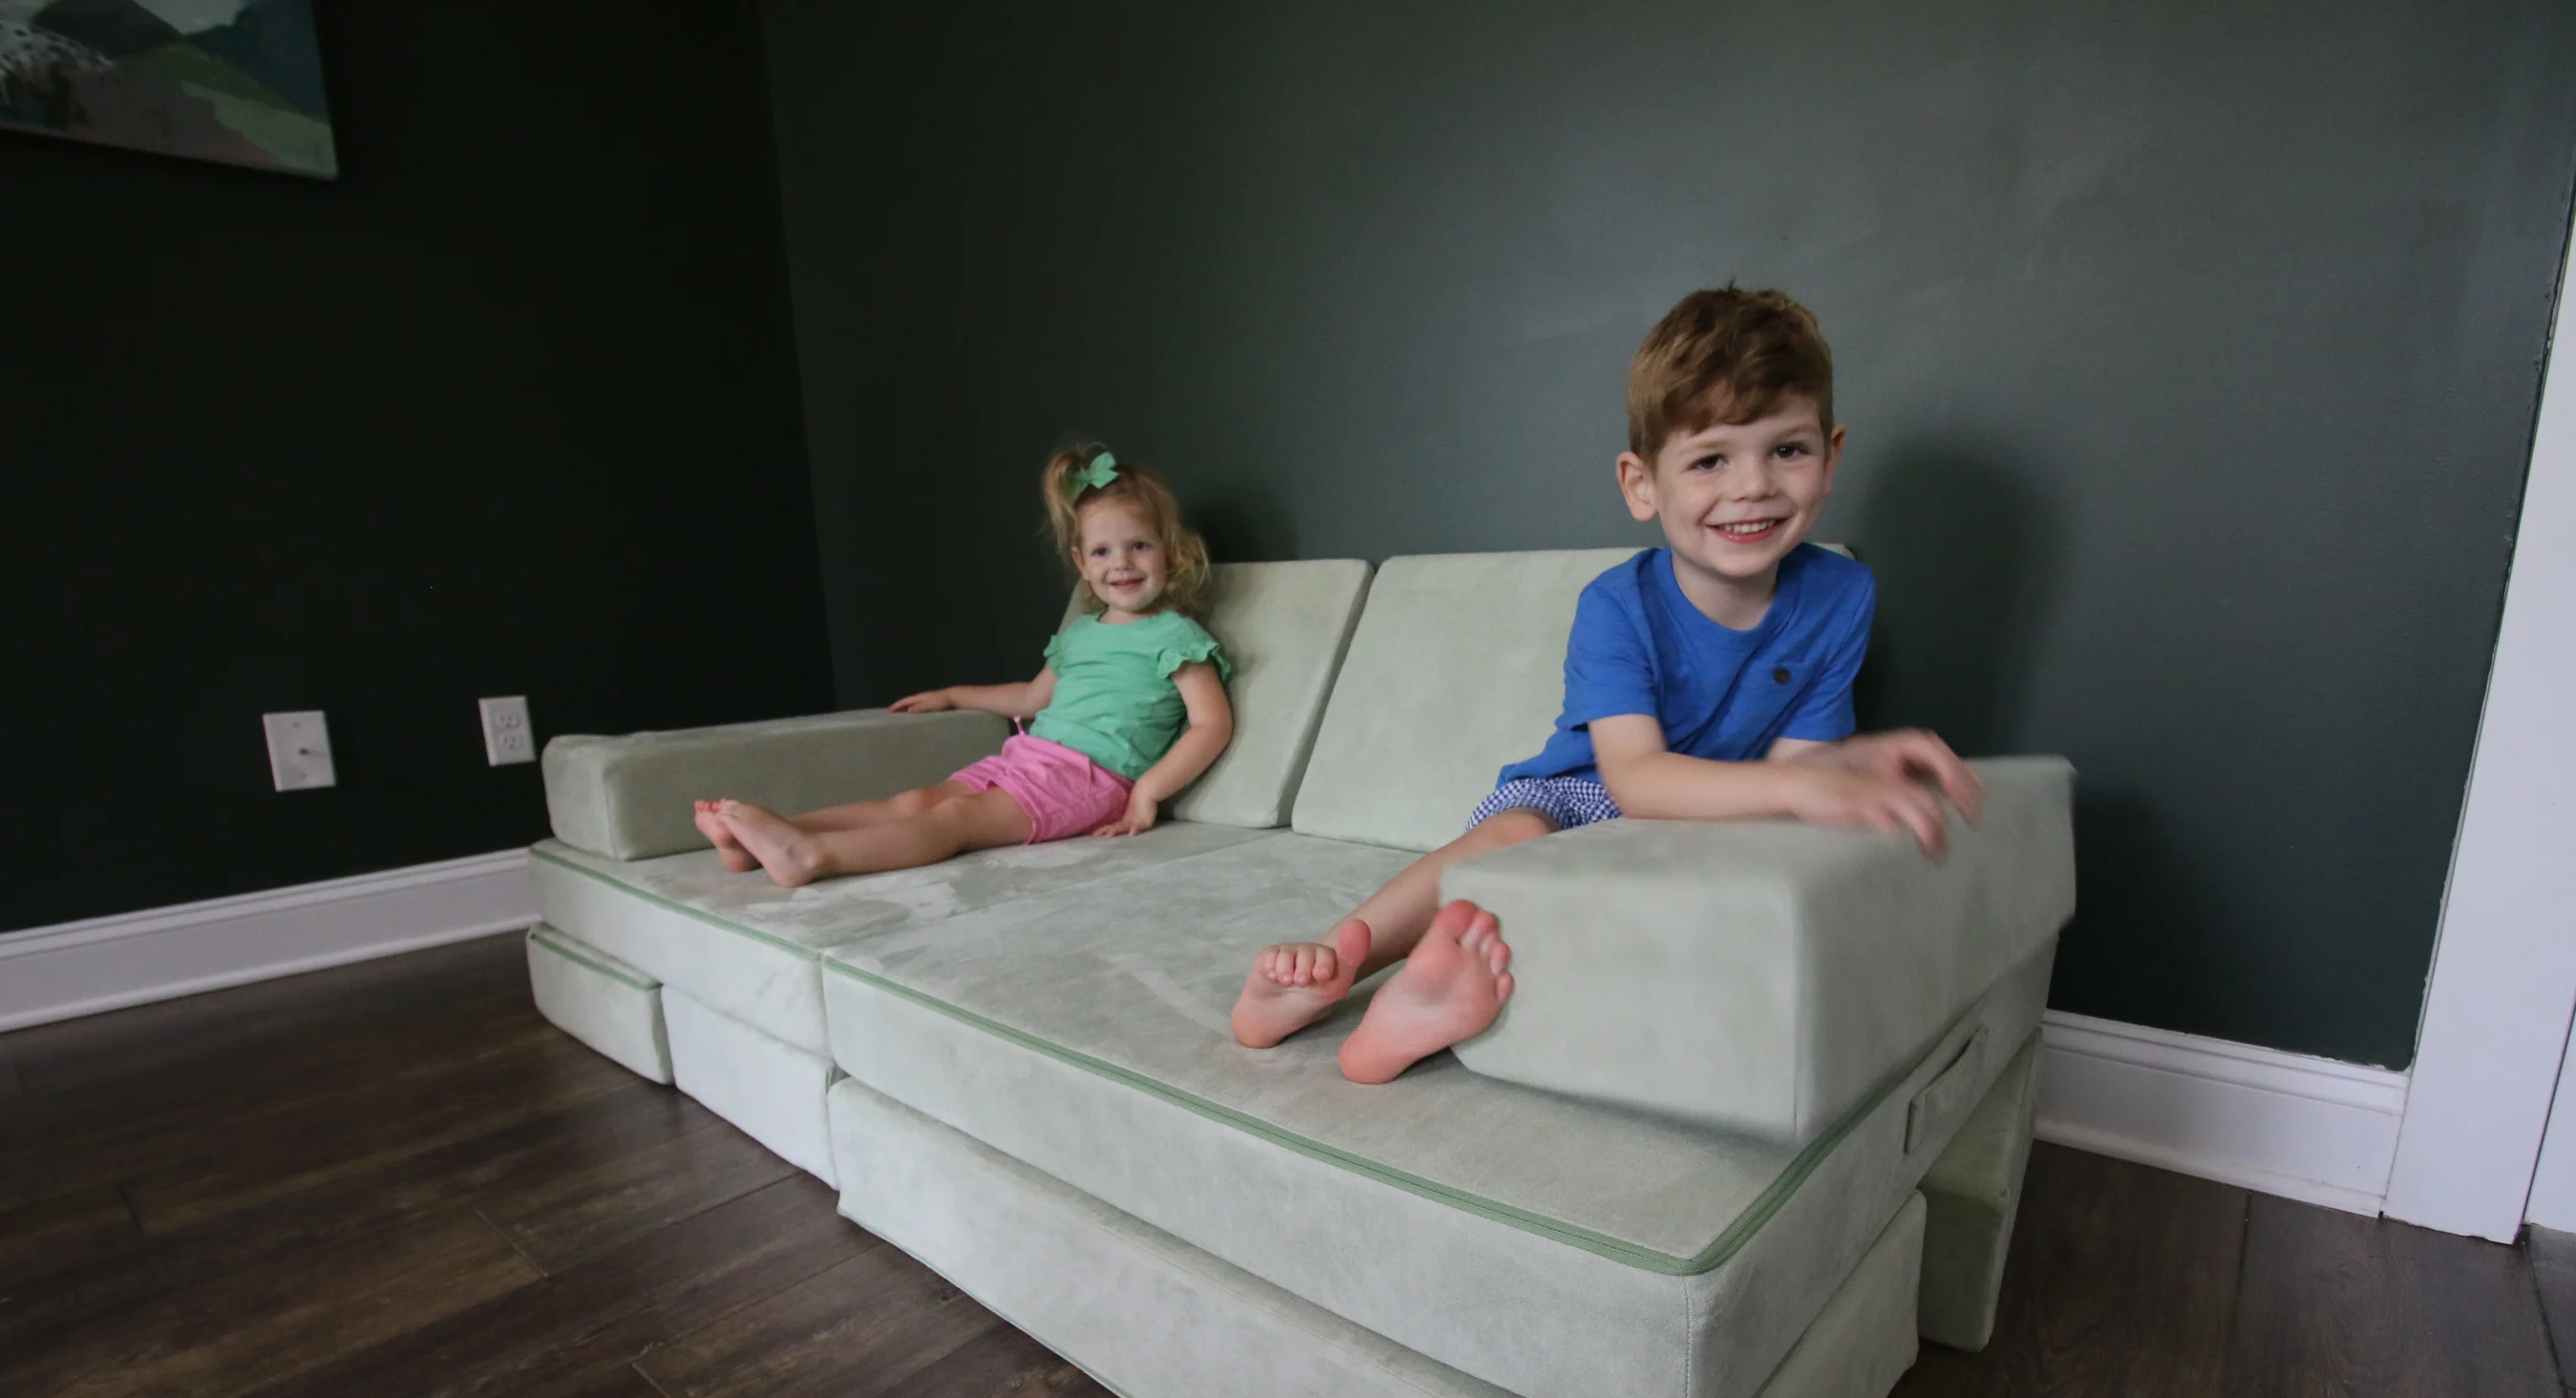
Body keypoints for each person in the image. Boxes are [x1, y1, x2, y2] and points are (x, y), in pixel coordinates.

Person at [1229, 285, 1983, 1083]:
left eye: (1786, 450)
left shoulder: (1843, 595)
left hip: (1705, 823)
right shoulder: (1618, 604)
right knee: (1519, 841)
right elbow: (1635, 777)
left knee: (1693, 911)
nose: (1754, 485)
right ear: (1641, 484)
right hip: (1578, 797)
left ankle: (1411, 1017)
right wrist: (1801, 789)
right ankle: (1339, 963)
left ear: (1831, 457)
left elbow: (1797, 769)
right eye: (1710, 459)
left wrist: (1844, 769)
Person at [695, 445, 1233, 887]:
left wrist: (1148, 792)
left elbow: (1212, 724)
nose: (1121, 563)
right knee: (916, 800)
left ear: (1169, 550)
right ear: (1080, 563)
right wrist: (954, 695)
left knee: (955, 822)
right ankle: (760, 841)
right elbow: (1030, 698)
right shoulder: (1081, 635)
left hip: (1090, 779)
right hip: (1027, 757)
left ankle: (810, 855)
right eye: (1102, 552)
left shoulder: (1175, 636)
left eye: (1139, 545)